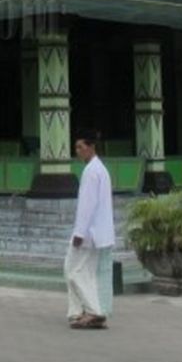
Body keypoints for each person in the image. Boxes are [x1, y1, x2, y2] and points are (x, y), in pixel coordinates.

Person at [65, 130, 114, 330]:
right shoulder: (99, 169)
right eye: (76, 148)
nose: (78, 151)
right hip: (96, 232)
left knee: (73, 271)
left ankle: (93, 311)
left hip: (88, 233)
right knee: (84, 272)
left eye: (81, 147)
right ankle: (80, 311)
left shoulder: (91, 171)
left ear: (91, 147)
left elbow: (87, 205)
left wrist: (79, 233)